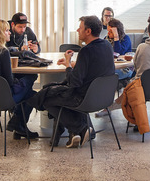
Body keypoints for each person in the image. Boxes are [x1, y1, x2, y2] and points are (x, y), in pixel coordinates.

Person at [37, 16, 116, 148]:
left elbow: (74, 82)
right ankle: (76, 132)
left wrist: (68, 64)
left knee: (46, 98)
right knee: (55, 95)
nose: (78, 30)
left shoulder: (86, 50)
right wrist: (74, 63)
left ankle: (81, 129)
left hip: (84, 98)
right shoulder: (107, 45)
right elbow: (92, 67)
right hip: (104, 98)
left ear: (88, 31)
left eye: (80, 27)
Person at [0, 19, 37, 140]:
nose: (9, 33)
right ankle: (17, 124)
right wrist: (20, 83)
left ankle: (18, 126)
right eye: (7, 30)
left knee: (29, 92)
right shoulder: (2, 52)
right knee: (32, 81)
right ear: (0, 33)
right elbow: (9, 81)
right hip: (2, 98)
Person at [106, 18, 134, 83]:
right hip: (112, 66)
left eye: (110, 31)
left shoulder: (126, 39)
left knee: (108, 74)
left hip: (125, 68)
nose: (108, 33)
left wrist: (116, 37)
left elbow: (119, 52)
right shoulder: (107, 39)